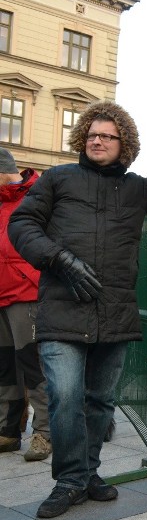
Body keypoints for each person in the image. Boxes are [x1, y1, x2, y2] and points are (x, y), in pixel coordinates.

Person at [8, 100, 147, 518]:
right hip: (62, 311)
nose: (98, 141)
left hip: (115, 313)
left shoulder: (136, 188)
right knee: (65, 398)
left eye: (107, 135)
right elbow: (21, 225)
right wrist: (58, 259)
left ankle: (87, 473)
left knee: (100, 402)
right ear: (82, 139)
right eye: (92, 134)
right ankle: (70, 480)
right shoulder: (56, 179)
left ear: (123, 143)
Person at [0, 147, 52, 462]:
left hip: (26, 293)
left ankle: (44, 433)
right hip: (2, 294)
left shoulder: (37, 196)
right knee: (4, 368)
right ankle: (7, 432)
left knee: (34, 367)